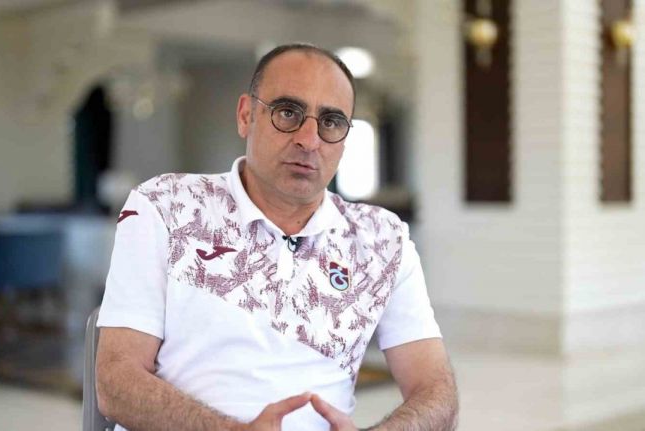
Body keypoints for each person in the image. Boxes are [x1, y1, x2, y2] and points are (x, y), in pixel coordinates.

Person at [95, 43, 458, 431]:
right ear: (246, 116)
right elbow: (115, 383)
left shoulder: (382, 239)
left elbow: (437, 392)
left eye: (331, 122)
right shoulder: (165, 206)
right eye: (288, 113)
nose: (309, 139)